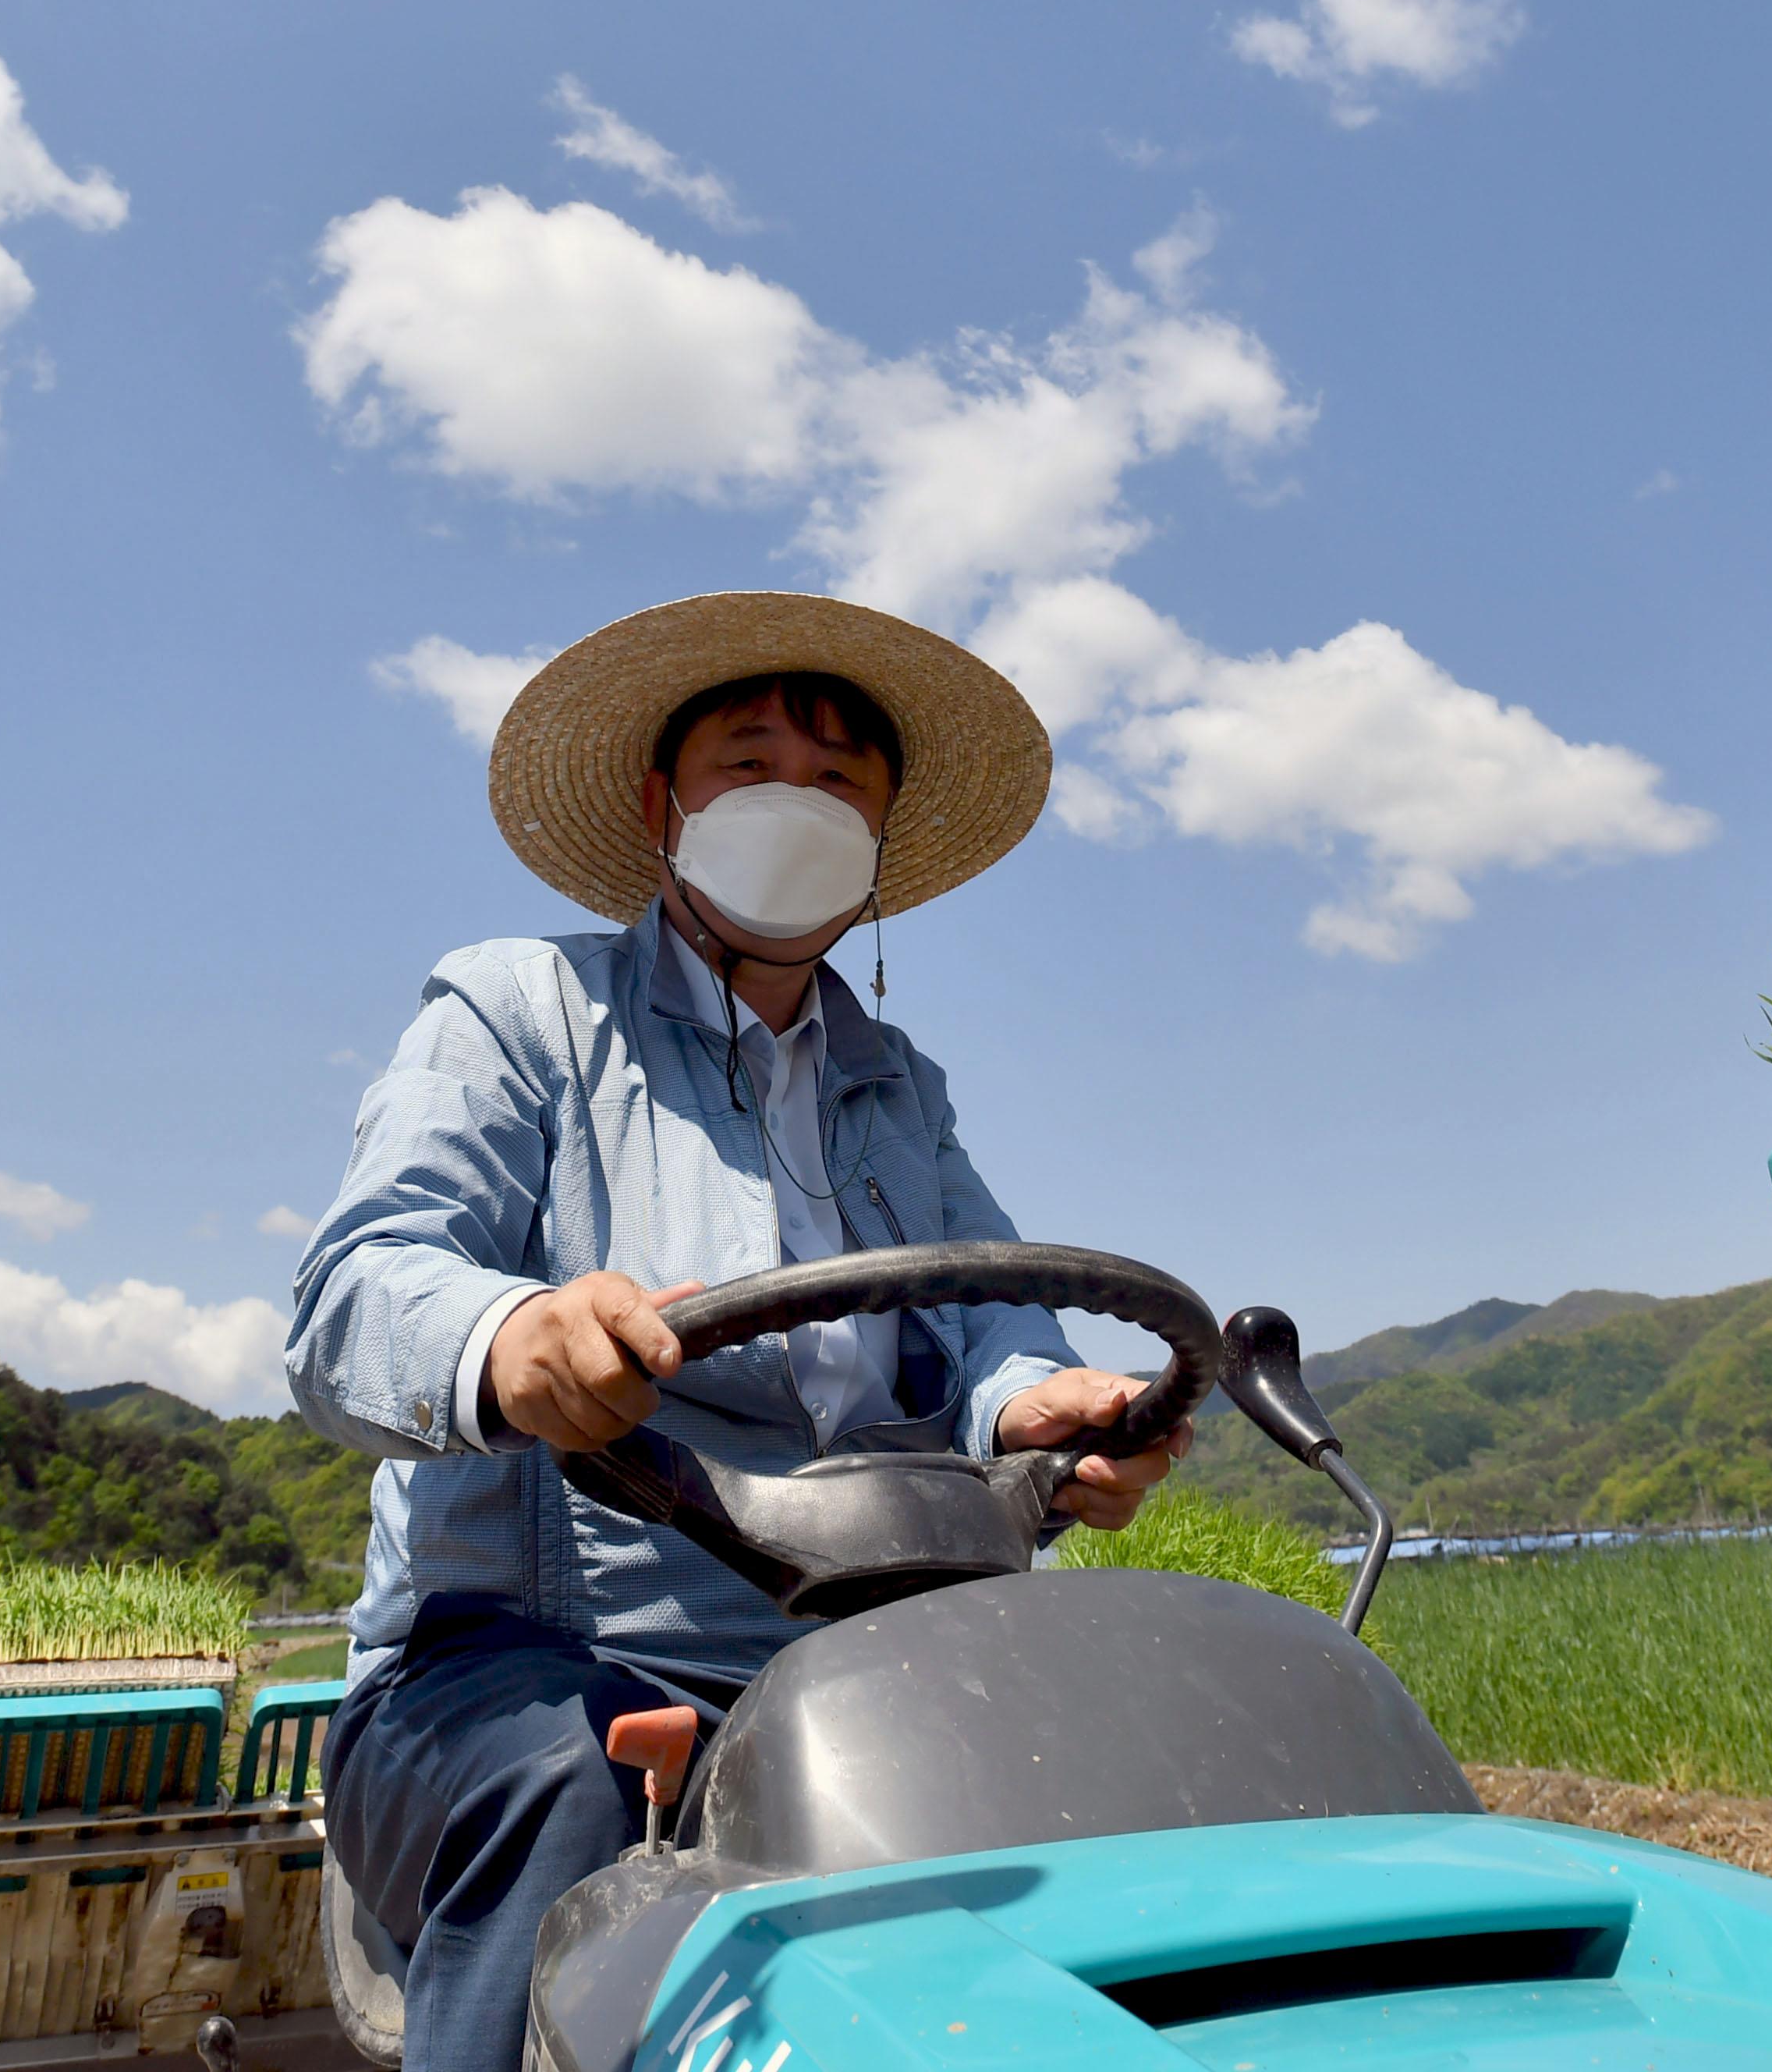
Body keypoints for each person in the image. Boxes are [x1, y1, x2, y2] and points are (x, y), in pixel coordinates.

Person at [285, 591, 1185, 2072]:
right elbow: (352, 1297)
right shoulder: (522, 1012)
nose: (796, 804)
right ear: (664, 806)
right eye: (752, 763)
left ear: (881, 847)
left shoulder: (899, 1086)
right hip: (520, 1664)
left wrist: (1043, 1404)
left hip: (863, 1667)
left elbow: (991, 1319)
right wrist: (515, 1337)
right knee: (571, 1793)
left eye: (840, 783)